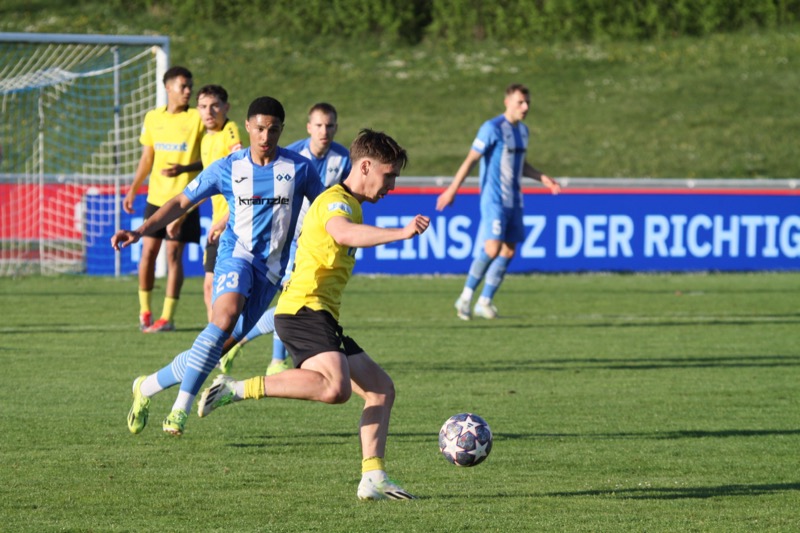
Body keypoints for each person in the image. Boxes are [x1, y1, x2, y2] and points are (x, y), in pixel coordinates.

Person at [196, 129, 430, 501]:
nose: (392, 185)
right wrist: (400, 232)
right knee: (335, 389)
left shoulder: (352, 203)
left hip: (321, 315)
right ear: (365, 166)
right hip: (304, 309)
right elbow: (344, 233)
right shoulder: (335, 201)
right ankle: (236, 388)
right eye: (389, 175)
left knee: (381, 390)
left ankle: (373, 477)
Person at [113, 96, 325, 437]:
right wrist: (141, 229)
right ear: (248, 127)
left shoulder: (299, 169)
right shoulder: (229, 167)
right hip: (235, 255)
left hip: (270, 272)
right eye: (259, 129)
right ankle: (180, 409)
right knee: (222, 320)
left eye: (272, 130)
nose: (265, 137)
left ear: (282, 130)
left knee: (216, 345)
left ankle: (147, 386)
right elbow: (182, 201)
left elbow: (325, 209)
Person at [219, 103, 352, 376]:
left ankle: (244, 344)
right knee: (291, 301)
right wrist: (223, 221)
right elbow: (257, 192)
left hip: (317, 241)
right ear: (308, 127)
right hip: (286, 240)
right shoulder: (291, 156)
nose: (324, 131)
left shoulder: (343, 158)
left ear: (336, 128)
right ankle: (275, 360)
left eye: (329, 126)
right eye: (318, 125)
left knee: (293, 301)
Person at [436, 83, 560, 320]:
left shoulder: (523, 131)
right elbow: (471, 159)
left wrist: (543, 178)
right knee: (492, 247)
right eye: (520, 102)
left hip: (515, 199)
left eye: (527, 103)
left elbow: (520, 165)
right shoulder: (491, 128)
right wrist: (452, 190)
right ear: (507, 102)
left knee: (509, 250)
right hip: (494, 199)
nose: (525, 107)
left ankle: (485, 301)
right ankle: (465, 297)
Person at [123, 65, 205, 333]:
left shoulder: (197, 118)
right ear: (168, 88)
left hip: (184, 198)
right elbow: (147, 158)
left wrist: (184, 170)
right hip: (156, 197)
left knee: (173, 256)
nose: (188, 91)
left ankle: (167, 317)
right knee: (147, 253)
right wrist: (134, 188)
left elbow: (209, 159)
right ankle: (144, 311)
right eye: (183, 86)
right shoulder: (153, 118)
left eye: (190, 85)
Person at [197, 85, 243, 322]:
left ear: (226, 107)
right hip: (220, 223)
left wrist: (226, 220)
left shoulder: (230, 131)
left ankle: (222, 344)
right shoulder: (206, 140)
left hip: (235, 223)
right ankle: (214, 347)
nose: (209, 111)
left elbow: (244, 175)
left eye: (215, 105)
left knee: (228, 292)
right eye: (203, 106)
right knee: (209, 286)